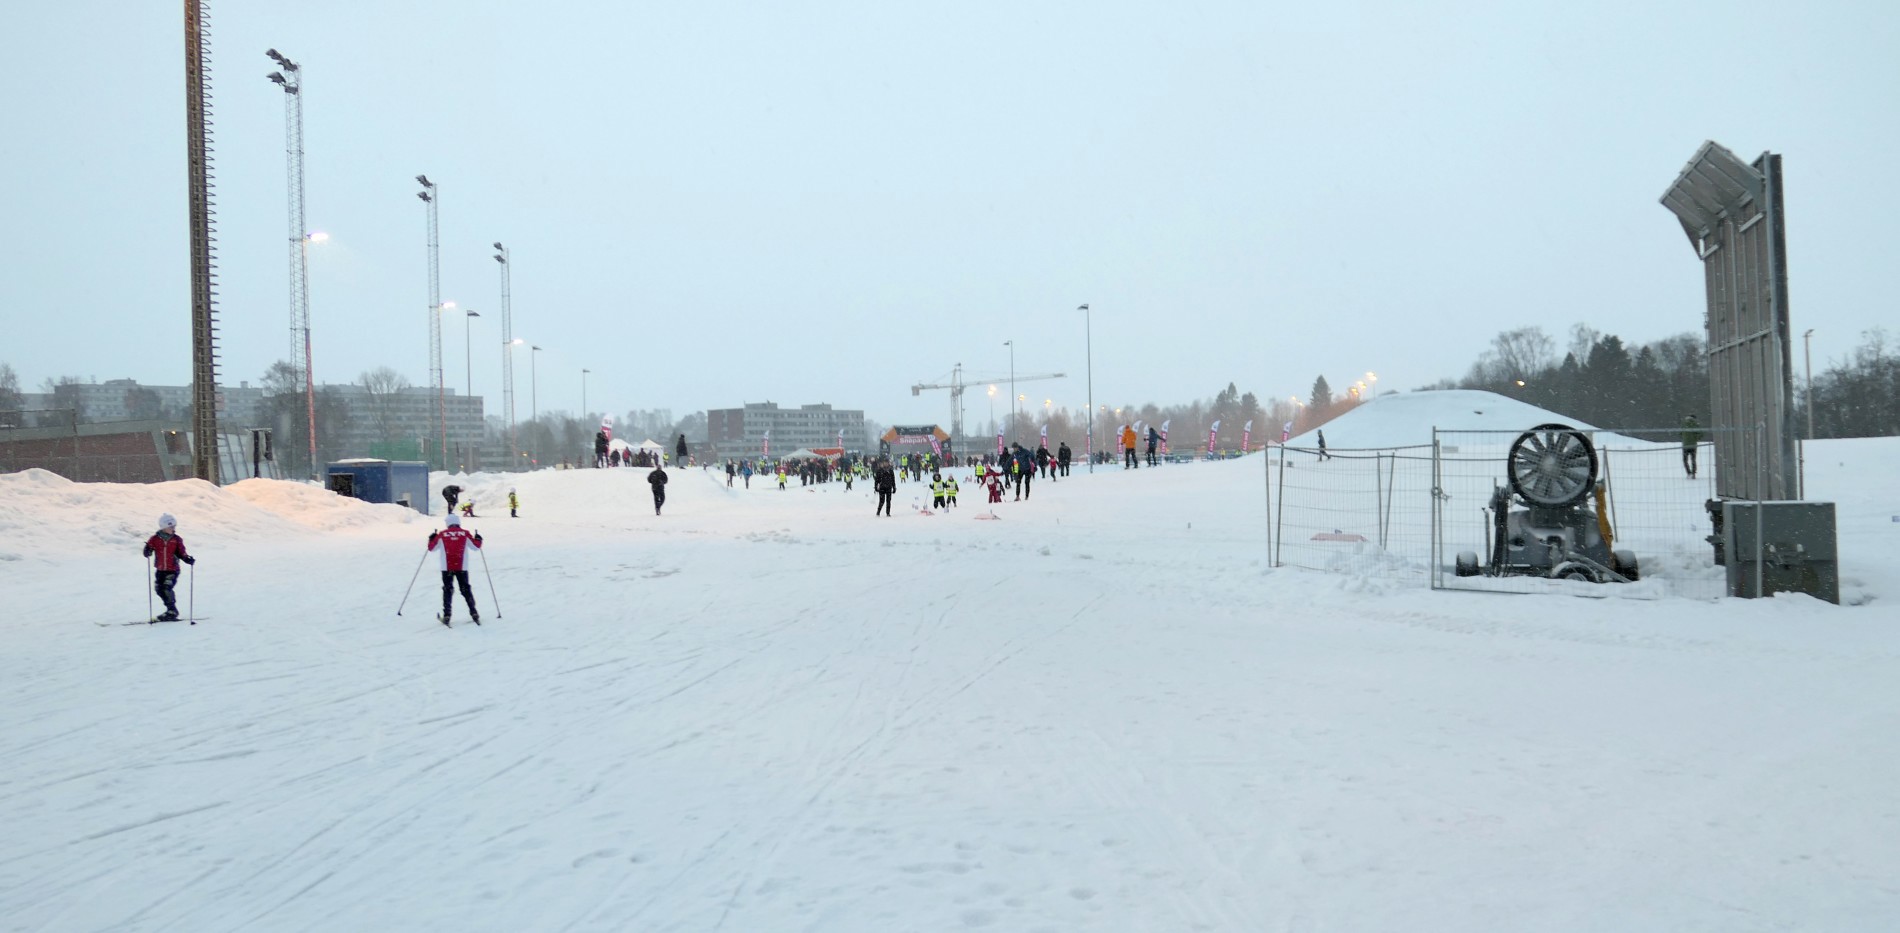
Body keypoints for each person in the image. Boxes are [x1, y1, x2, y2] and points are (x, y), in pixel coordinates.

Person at [427, 514, 482, 626]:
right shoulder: (465, 533)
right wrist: (478, 539)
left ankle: (447, 615)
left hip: (446, 567)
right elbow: (476, 547)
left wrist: (431, 538)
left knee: (448, 589)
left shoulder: (442, 534)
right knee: (465, 589)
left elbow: (431, 548)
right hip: (462, 566)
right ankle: (473, 612)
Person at [141, 513, 196, 622]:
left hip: (173, 569)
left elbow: (181, 553)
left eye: (174, 526)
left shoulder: (177, 539)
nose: (173, 529)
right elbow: (149, 550)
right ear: (163, 527)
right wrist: (147, 551)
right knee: (159, 589)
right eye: (170, 526)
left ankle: (172, 611)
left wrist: (187, 559)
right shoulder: (155, 539)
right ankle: (170, 609)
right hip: (160, 570)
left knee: (167, 588)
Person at [1681, 414, 1702, 478]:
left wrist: (1684, 438)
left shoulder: (1684, 424)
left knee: (1685, 460)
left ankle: (1688, 472)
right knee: (1693, 459)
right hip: (1693, 445)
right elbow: (1701, 433)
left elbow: (1680, 433)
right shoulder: (1696, 424)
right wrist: (1695, 438)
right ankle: (1693, 473)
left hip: (1685, 445)